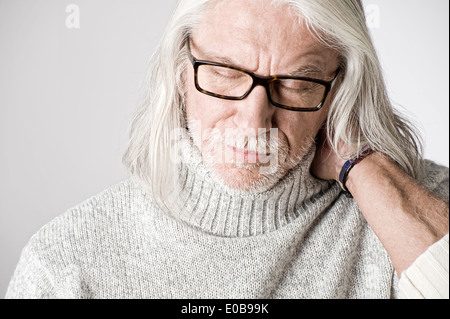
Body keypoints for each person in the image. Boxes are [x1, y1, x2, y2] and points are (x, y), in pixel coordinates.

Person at [6, 0, 449, 299]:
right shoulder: (66, 261)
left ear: (340, 87)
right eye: (225, 72)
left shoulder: (417, 210)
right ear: (181, 69)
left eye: (297, 81)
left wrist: (360, 163)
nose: (253, 121)